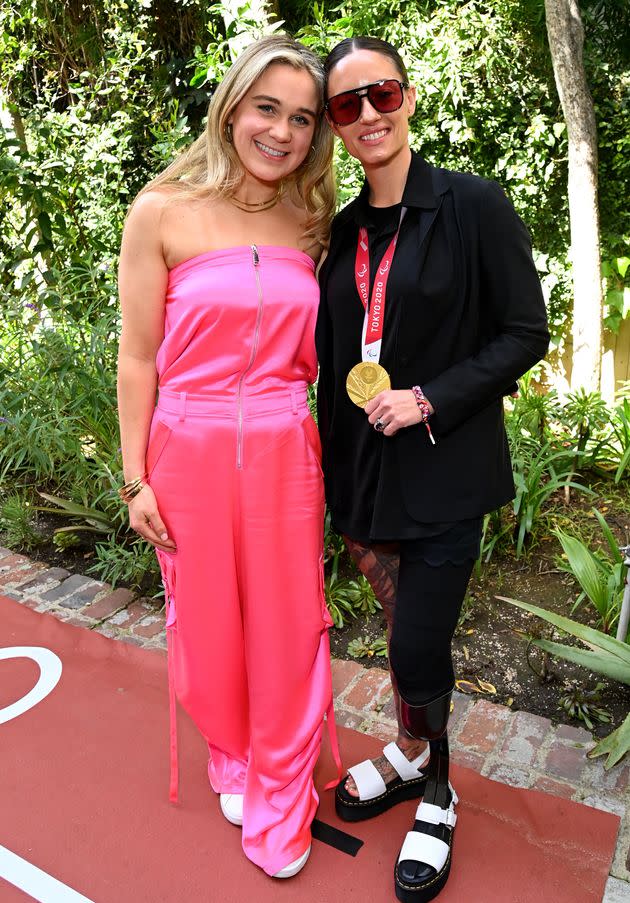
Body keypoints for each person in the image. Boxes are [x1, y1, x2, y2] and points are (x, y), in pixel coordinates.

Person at [316, 36, 549, 902]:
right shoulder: (344, 229)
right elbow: (337, 349)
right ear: (335, 127)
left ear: (407, 98)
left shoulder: (471, 205)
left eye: (382, 95)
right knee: (394, 630)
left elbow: (525, 333)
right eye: (347, 106)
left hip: (445, 468)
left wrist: (429, 397)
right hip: (367, 476)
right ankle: (412, 753)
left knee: (418, 639)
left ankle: (439, 790)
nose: (369, 115)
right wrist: (327, 479)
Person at [117, 34, 341, 880]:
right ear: (232, 107)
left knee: (288, 622)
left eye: (301, 118)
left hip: (287, 446)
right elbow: (138, 354)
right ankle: (235, 754)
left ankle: (283, 791)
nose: (281, 132)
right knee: (209, 628)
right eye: (266, 109)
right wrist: (136, 475)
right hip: (188, 446)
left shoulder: (312, 220)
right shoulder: (161, 210)